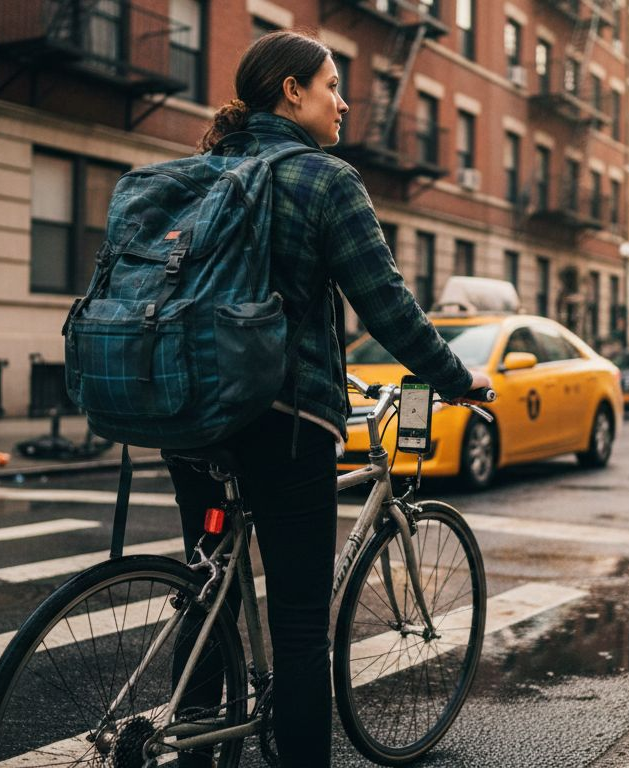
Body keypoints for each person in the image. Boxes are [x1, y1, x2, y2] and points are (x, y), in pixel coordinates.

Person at [167, 30, 491, 767]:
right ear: (291, 92)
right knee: (302, 628)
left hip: (190, 419)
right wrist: (456, 378)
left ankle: (187, 750)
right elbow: (387, 306)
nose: (343, 103)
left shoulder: (204, 168)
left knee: (207, 589)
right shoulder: (324, 180)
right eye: (332, 85)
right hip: (284, 426)